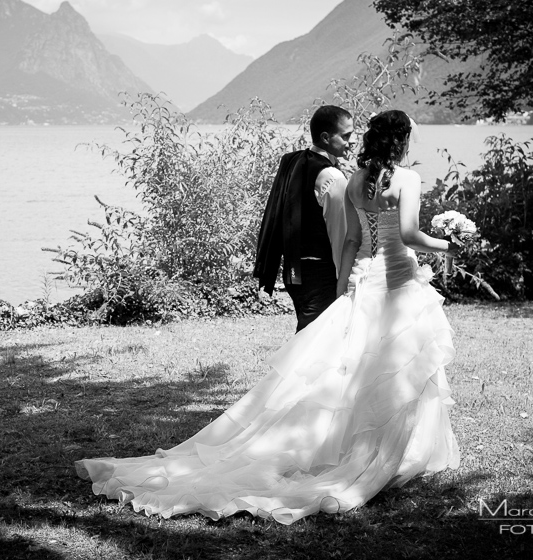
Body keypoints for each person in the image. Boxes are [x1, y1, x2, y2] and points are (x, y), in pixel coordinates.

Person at [75, 109, 461, 525]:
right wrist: (449, 244)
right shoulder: (407, 179)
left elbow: (351, 240)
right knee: (399, 365)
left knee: (354, 372)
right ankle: (391, 453)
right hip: (398, 281)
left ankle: (364, 445)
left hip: (363, 282)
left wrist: (341, 291)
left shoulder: (353, 180)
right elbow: (407, 235)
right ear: (401, 140)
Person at [253, 105, 353, 332]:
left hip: (294, 271)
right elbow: (340, 235)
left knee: (312, 336)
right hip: (322, 274)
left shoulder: (296, 163)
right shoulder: (332, 176)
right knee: (315, 342)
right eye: (345, 136)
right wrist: (344, 280)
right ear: (326, 137)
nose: (351, 141)